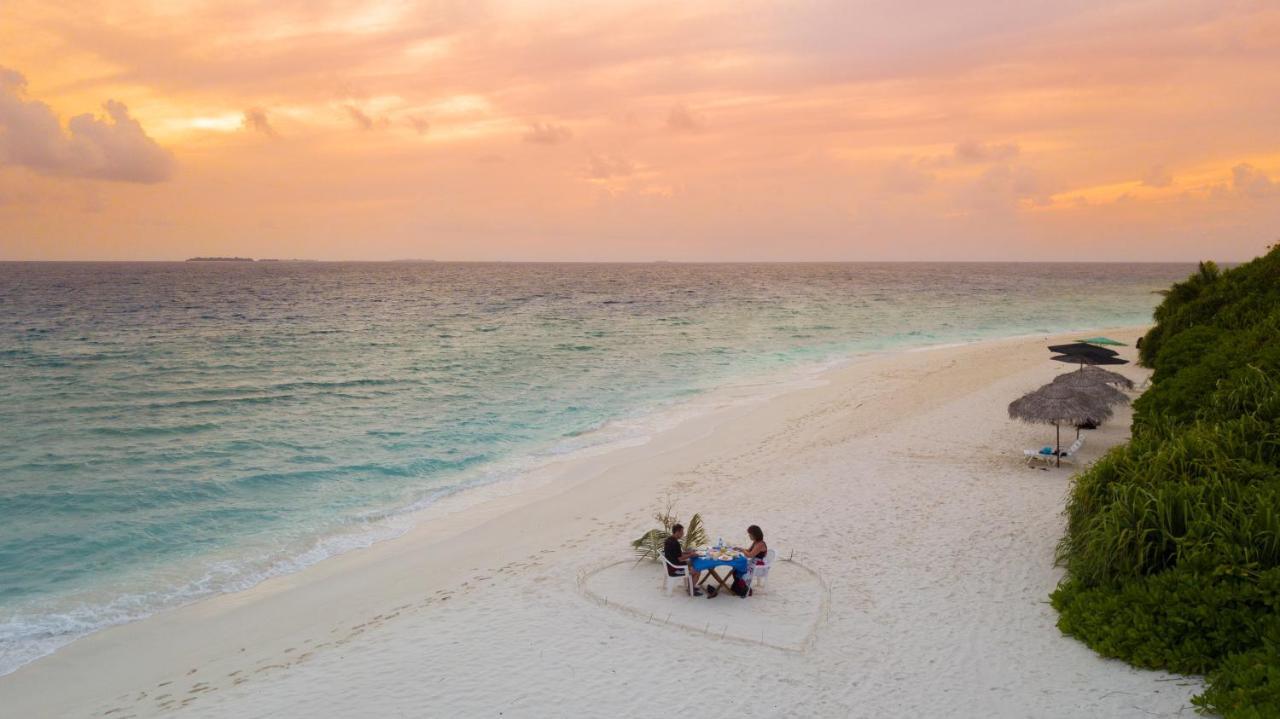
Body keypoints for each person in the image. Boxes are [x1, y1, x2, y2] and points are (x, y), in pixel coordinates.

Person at [663, 523, 703, 596]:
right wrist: (691, 554)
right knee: (698, 570)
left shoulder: (669, 540)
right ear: (677, 532)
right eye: (682, 532)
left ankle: (691, 586)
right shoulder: (675, 543)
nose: (683, 534)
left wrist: (688, 552)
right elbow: (680, 558)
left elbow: (677, 554)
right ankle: (691, 590)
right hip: (674, 569)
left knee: (692, 563)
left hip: (671, 564)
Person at [730, 525, 768, 596]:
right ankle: (737, 586)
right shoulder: (756, 542)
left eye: (750, 534)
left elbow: (750, 555)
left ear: (755, 535)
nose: (749, 536)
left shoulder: (760, 544)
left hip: (758, 564)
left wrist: (743, 550)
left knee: (739, 568)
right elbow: (749, 550)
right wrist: (740, 548)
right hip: (753, 561)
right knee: (736, 568)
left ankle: (744, 588)